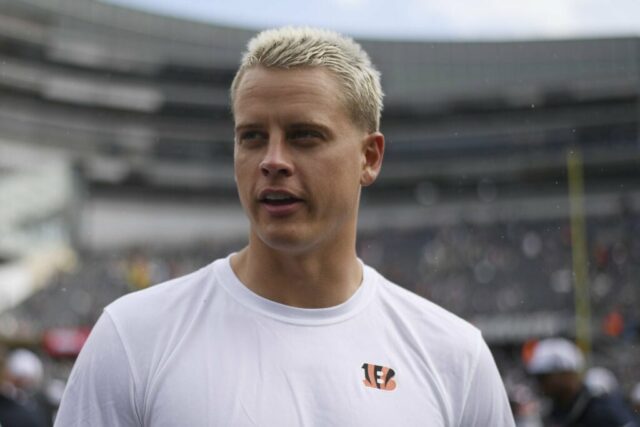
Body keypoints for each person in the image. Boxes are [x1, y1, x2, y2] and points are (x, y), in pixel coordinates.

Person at [54, 27, 514, 426]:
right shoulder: (134, 336)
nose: (273, 160)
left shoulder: (454, 357)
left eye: (304, 136)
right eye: (252, 137)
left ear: (369, 157)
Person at [526, 337, 637, 427]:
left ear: (567, 374)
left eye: (544, 377)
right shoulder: (555, 413)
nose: (540, 383)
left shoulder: (602, 410)